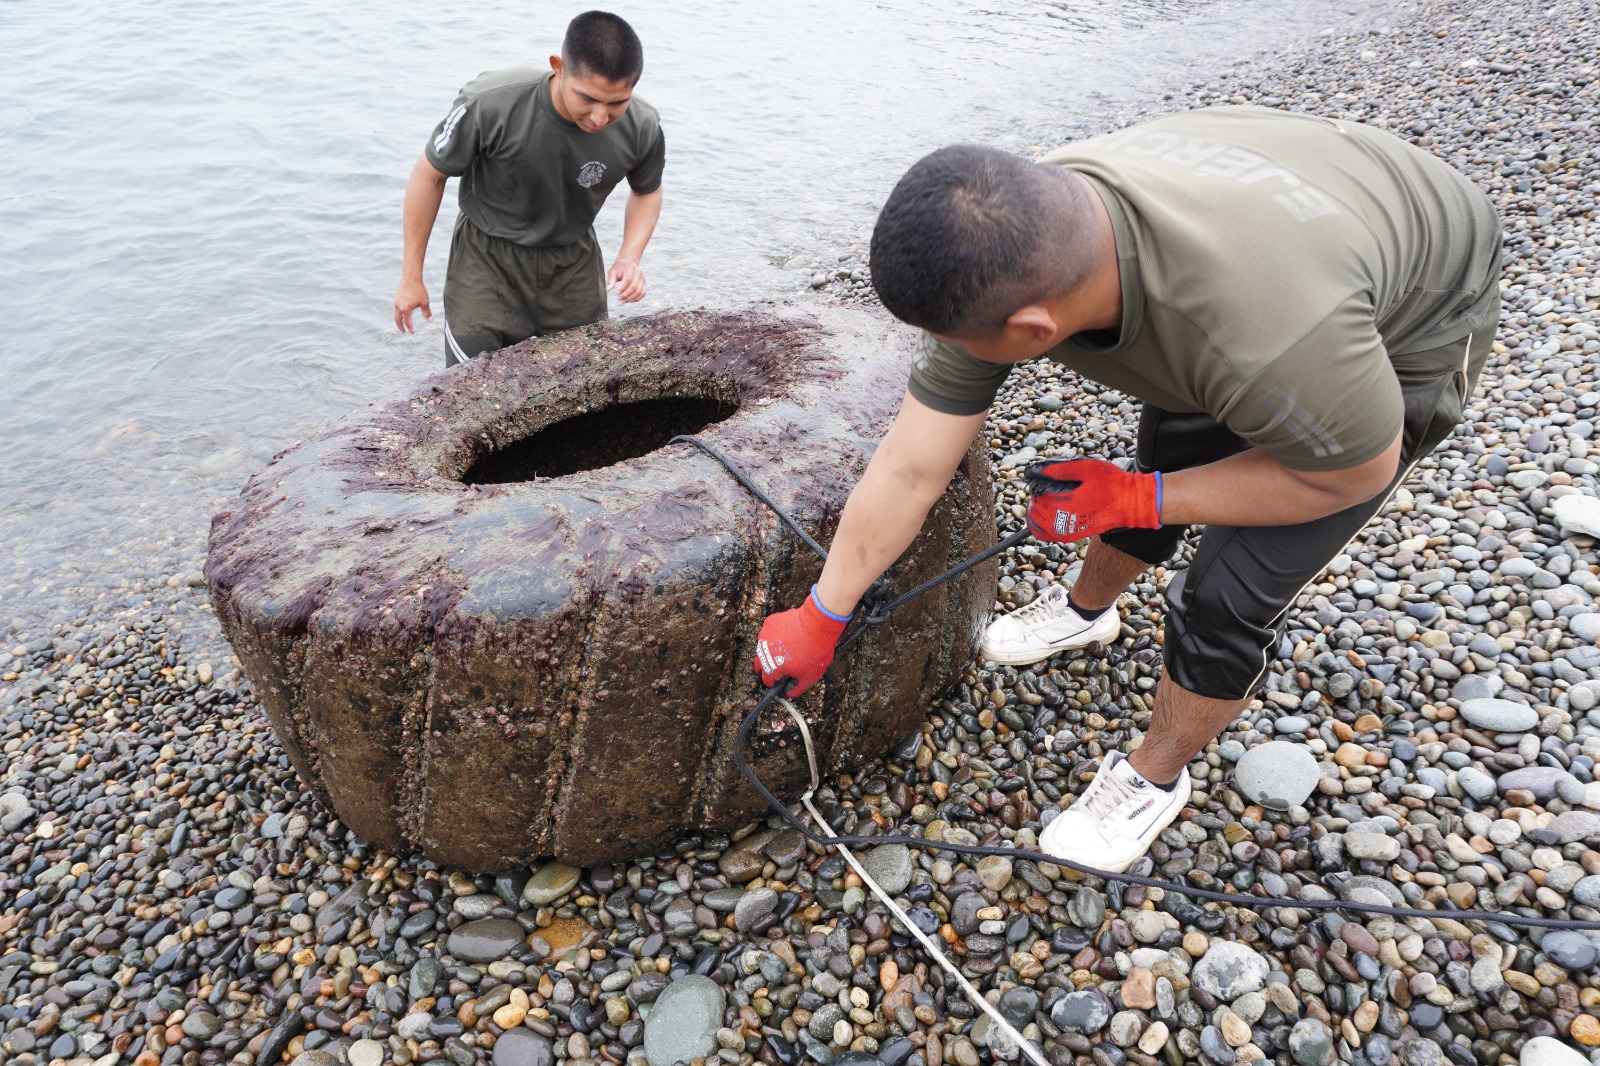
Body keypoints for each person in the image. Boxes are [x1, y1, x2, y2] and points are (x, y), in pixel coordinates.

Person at [753, 106, 1501, 874]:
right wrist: (823, 610)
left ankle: (1155, 776)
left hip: (1420, 295)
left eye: (959, 341)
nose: (947, 351)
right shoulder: (1025, 236)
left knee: (1227, 595)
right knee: (1171, 451)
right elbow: (913, 465)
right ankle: (1084, 613)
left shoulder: (1268, 335)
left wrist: (1139, 501)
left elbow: (1349, 476)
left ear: (1037, 329)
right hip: (1292, 214)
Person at [394, 11, 665, 366]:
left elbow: (647, 190)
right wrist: (411, 276)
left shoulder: (642, 125)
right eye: (587, 98)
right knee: (472, 392)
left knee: (582, 389)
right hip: (487, 262)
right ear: (559, 67)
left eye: (616, 103)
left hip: (573, 265)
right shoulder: (489, 103)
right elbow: (430, 175)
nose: (600, 117)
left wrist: (629, 258)